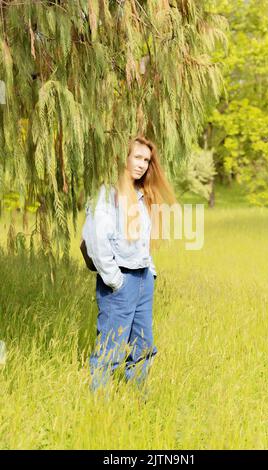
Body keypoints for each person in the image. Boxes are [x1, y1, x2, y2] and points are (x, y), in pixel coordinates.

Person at [82, 135, 177, 394]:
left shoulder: (141, 196)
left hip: (143, 279)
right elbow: (96, 240)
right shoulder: (107, 194)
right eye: (137, 157)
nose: (142, 164)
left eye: (146, 160)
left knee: (143, 345)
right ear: (123, 157)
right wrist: (114, 279)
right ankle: (98, 405)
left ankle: (137, 399)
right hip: (120, 281)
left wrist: (151, 274)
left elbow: (142, 242)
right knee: (111, 346)